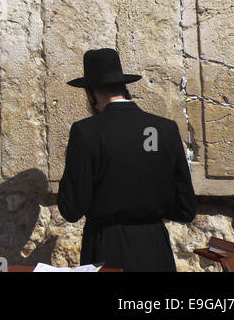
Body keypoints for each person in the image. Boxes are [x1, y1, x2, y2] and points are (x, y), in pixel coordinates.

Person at [57, 48, 196, 272]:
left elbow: (71, 208)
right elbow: (186, 209)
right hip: (155, 249)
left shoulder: (86, 132)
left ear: (90, 94)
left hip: (106, 249)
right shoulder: (165, 129)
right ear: (124, 87)